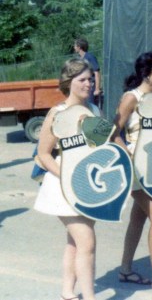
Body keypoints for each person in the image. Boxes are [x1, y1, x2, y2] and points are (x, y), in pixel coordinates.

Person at [111, 52, 152, 300]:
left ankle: (126, 269)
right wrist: (127, 152)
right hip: (137, 170)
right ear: (146, 72)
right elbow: (113, 131)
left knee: (139, 219)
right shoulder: (132, 98)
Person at [34, 58, 99, 300]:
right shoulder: (57, 113)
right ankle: (90, 297)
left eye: (91, 79)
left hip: (89, 185)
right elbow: (43, 154)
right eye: (82, 79)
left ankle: (67, 293)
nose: (89, 84)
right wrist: (68, 177)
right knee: (87, 242)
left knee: (75, 242)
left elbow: (100, 147)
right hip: (63, 185)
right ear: (68, 82)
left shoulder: (94, 111)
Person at [74, 38, 101, 106]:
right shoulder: (79, 58)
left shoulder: (90, 57)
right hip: (83, 86)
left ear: (79, 47)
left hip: (91, 86)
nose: (74, 47)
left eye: (75, 46)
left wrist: (97, 89)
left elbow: (97, 73)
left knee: (91, 105)